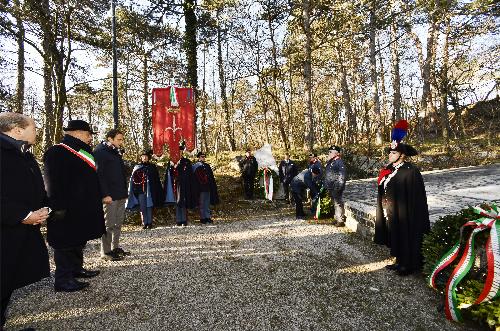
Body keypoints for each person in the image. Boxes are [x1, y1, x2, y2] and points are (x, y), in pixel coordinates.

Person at [0, 113, 50, 328]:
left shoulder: (22, 153)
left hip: (18, 232)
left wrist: (44, 207)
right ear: (17, 130)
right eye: (34, 127)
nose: (36, 131)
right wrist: (23, 215)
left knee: (7, 283)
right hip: (5, 230)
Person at [43, 119, 105, 292]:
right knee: (65, 243)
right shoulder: (57, 152)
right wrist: (57, 206)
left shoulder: (81, 151)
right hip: (65, 207)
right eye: (88, 135)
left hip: (82, 207)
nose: (90, 138)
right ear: (76, 133)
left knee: (79, 239)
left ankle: (76, 269)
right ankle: (63, 279)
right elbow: (52, 181)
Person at [374, 120, 430, 276]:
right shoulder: (391, 169)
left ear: (402, 155)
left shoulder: (410, 171)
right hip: (392, 210)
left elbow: (414, 195)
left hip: (406, 212)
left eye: (394, 153)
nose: (390, 155)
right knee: (396, 233)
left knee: (405, 234)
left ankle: (408, 264)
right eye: (390, 152)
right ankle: (399, 260)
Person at [94, 129, 129, 260]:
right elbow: (99, 176)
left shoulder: (115, 152)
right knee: (108, 225)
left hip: (120, 194)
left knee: (118, 224)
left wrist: (124, 192)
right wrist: (105, 194)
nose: (121, 142)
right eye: (119, 139)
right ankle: (106, 252)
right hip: (110, 196)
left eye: (122, 139)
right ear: (110, 138)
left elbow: (120, 174)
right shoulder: (100, 152)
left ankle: (115, 248)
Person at [126, 151, 163, 229]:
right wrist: (134, 189)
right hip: (140, 190)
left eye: (146, 156)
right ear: (141, 157)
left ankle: (149, 223)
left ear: (148, 157)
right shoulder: (137, 167)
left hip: (150, 190)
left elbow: (156, 180)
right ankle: (144, 223)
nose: (144, 157)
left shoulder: (152, 167)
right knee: (142, 207)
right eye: (143, 156)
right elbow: (133, 180)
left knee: (149, 206)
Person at [192, 151, 219, 224]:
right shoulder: (195, 166)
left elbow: (211, 178)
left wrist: (212, 186)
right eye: (202, 156)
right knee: (202, 203)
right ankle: (203, 218)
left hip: (208, 188)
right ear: (199, 157)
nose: (203, 158)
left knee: (207, 203)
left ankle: (208, 217)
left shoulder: (207, 166)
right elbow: (194, 179)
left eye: (204, 156)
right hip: (200, 189)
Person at [323, 146, 347, 227]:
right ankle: (337, 218)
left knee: (338, 203)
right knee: (335, 203)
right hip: (331, 187)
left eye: (331, 152)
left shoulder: (339, 162)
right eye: (329, 152)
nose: (329, 153)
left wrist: (339, 186)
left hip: (336, 187)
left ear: (336, 153)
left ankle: (340, 220)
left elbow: (342, 175)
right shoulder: (331, 162)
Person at [174, 142, 196, 226]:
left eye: (180, 151)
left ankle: (184, 220)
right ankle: (178, 220)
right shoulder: (172, 162)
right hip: (175, 185)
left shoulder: (186, 162)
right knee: (177, 202)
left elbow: (190, 174)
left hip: (185, 185)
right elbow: (170, 174)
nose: (179, 152)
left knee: (183, 202)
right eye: (177, 151)